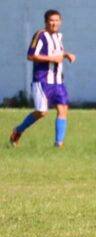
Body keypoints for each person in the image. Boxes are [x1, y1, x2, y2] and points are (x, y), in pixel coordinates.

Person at [10, 9, 77, 148]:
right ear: (46, 21)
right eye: (51, 20)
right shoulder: (40, 35)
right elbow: (31, 55)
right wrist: (52, 59)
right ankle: (18, 130)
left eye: (57, 20)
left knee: (63, 109)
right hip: (42, 81)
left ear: (61, 21)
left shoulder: (58, 36)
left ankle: (59, 144)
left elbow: (56, 52)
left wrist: (66, 54)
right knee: (42, 112)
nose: (54, 23)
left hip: (58, 81)